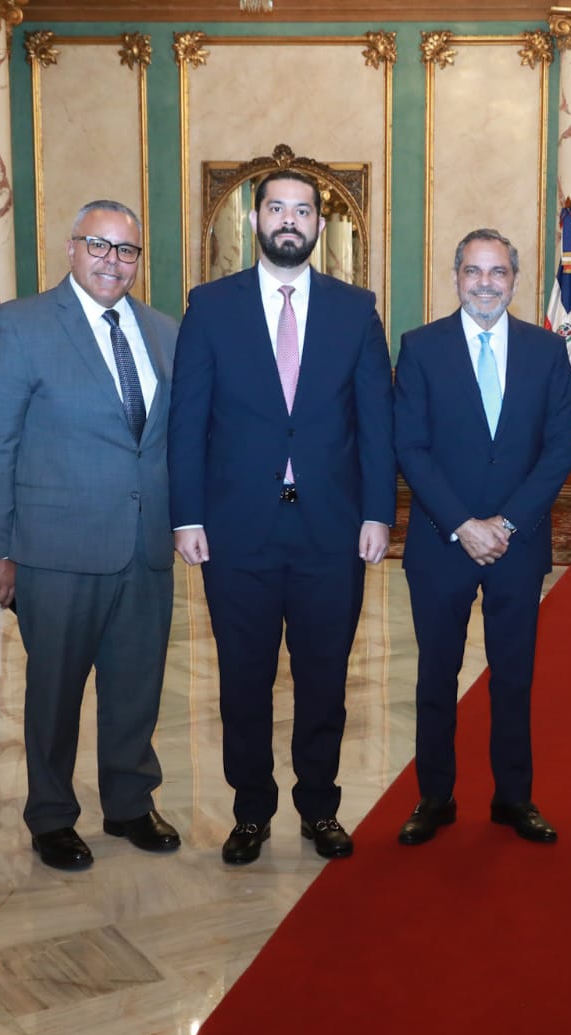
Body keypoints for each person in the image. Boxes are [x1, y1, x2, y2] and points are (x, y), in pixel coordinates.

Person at [169, 169, 395, 865]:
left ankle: (319, 807)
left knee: (325, 678)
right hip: (238, 530)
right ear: (255, 220)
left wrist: (379, 512)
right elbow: (188, 420)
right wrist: (187, 515)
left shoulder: (357, 309)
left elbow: (376, 423)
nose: (289, 220)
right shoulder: (209, 306)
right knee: (243, 678)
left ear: (319, 227)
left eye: (303, 210)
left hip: (331, 528)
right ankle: (250, 811)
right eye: (277, 208)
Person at [0, 200, 182, 871]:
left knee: (136, 684)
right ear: (71, 248)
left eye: (127, 251)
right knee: (55, 691)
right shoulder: (20, 326)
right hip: (56, 550)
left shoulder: (164, 331)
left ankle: (129, 801)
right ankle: (52, 814)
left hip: (144, 545)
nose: (113, 262)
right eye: (100, 245)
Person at [392, 229, 571, 846]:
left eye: (497, 272)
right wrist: (463, 525)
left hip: (517, 544)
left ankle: (513, 798)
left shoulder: (546, 351)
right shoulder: (420, 348)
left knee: (514, 677)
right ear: (456, 276)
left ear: (515, 279)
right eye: (473, 271)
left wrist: (505, 523)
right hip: (441, 542)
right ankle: (435, 797)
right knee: (435, 676)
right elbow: (410, 448)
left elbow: (560, 447)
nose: (485, 284)